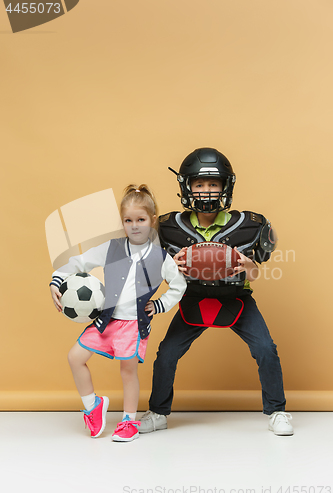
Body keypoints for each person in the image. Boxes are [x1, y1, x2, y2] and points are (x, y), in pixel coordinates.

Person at [139, 148, 293, 436]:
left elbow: (256, 274)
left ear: (225, 186)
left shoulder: (250, 226)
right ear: (187, 187)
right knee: (166, 354)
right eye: (199, 185)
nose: (206, 191)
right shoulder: (168, 227)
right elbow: (151, 273)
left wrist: (248, 264)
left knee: (265, 350)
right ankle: (158, 411)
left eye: (213, 184)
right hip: (192, 298)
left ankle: (277, 411)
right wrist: (171, 265)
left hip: (236, 299)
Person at [50, 185, 186, 442]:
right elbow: (78, 262)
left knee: (127, 371)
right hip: (106, 321)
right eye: (128, 220)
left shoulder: (161, 257)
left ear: (152, 220)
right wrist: (56, 280)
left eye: (141, 220)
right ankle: (93, 406)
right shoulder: (111, 248)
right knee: (75, 357)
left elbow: (179, 286)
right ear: (122, 222)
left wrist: (159, 305)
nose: (135, 226)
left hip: (134, 325)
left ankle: (128, 421)